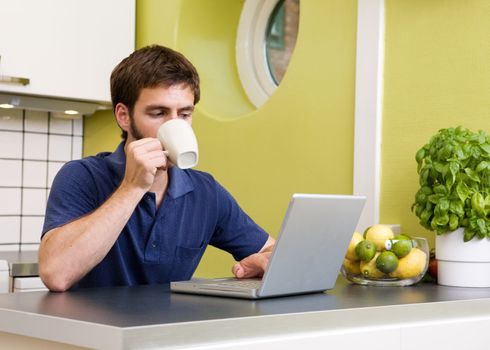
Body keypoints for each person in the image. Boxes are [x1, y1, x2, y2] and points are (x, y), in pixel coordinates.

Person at [39, 45, 275, 292]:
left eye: (184, 114)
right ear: (124, 116)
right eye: (159, 113)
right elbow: (56, 274)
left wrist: (265, 261)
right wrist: (132, 187)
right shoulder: (82, 176)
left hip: (164, 329)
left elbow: (270, 249)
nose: (174, 125)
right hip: (94, 330)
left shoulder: (206, 192)